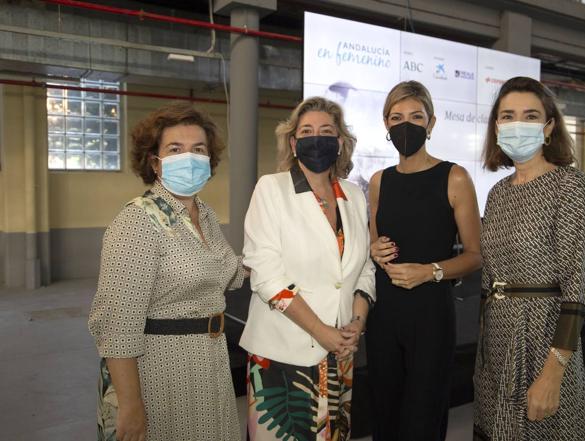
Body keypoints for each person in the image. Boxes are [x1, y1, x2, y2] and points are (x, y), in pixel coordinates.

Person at [89, 102, 245, 441]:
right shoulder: (137, 221)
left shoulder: (204, 215)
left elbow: (228, 274)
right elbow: (117, 329)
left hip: (211, 361)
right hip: (163, 367)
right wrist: (130, 407)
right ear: (155, 161)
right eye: (175, 149)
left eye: (198, 149)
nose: (188, 157)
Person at [240, 96, 376, 441]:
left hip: (341, 352)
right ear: (293, 142)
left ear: (340, 142)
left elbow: (363, 269)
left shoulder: (354, 195)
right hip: (282, 356)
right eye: (307, 131)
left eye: (326, 131)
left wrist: (356, 324)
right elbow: (266, 274)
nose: (317, 138)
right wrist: (321, 331)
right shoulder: (271, 189)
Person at [474, 76, 585, 440]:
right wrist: (481, 360)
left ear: (548, 127)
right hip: (496, 343)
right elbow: (488, 280)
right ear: (497, 126)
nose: (517, 125)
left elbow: (577, 288)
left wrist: (553, 372)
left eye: (530, 116)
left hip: (544, 341)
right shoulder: (497, 193)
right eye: (507, 115)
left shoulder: (569, 186)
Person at [367, 80, 482, 440]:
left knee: (424, 419)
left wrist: (430, 271)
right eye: (397, 116)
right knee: (385, 415)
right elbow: (374, 246)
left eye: (416, 116)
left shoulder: (455, 177)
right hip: (384, 315)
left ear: (431, 124)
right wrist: (374, 251)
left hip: (431, 314)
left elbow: (476, 256)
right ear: (386, 124)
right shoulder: (378, 181)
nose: (406, 125)